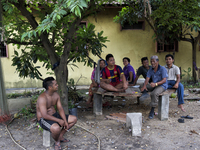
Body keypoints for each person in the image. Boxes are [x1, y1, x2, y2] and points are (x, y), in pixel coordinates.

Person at [37, 77, 77, 150]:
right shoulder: (42, 98)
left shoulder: (56, 95)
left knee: (74, 119)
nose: (57, 85)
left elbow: (60, 108)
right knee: (56, 128)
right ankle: (57, 141)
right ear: (50, 87)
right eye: (55, 84)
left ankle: (60, 136)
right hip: (44, 119)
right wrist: (59, 121)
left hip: (54, 115)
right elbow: (44, 115)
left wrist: (65, 121)